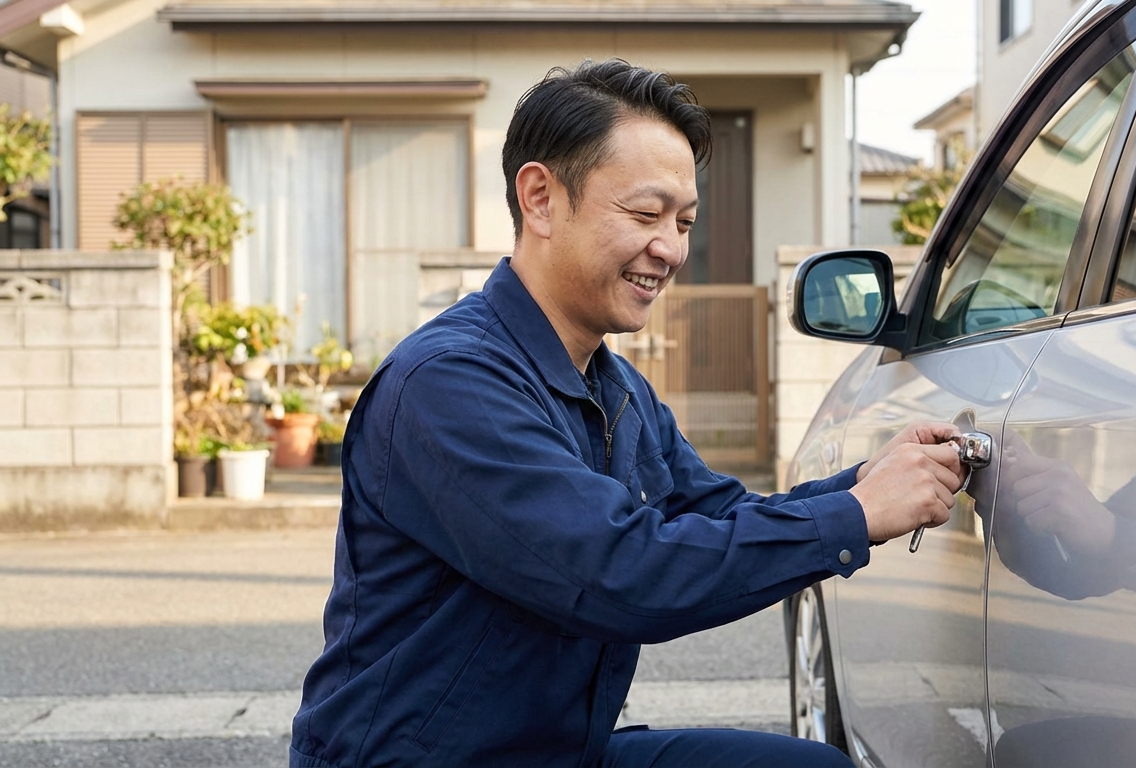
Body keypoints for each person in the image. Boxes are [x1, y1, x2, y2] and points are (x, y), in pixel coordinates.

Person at [289, 58, 965, 768]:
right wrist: (857, 515)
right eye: (645, 214)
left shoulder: (616, 387)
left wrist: (872, 484)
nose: (670, 249)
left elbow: (717, 516)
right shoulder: (449, 383)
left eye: (684, 221)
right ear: (541, 199)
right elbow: (617, 574)